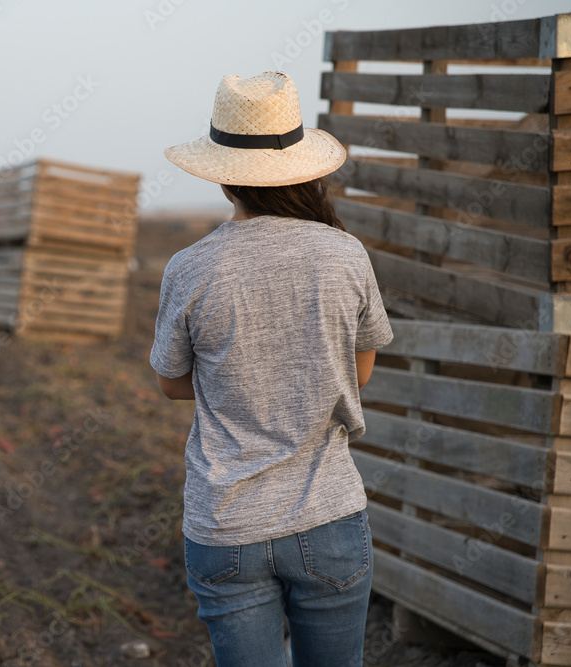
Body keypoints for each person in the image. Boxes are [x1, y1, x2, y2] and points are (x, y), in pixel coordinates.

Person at [150, 71, 394, 666]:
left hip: (227, 526)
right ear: (303, 166)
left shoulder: (190, 267)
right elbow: (358, 376)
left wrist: (239, 378)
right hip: (329, 519)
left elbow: (170, 383)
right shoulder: (345, 254)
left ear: (223, 174)